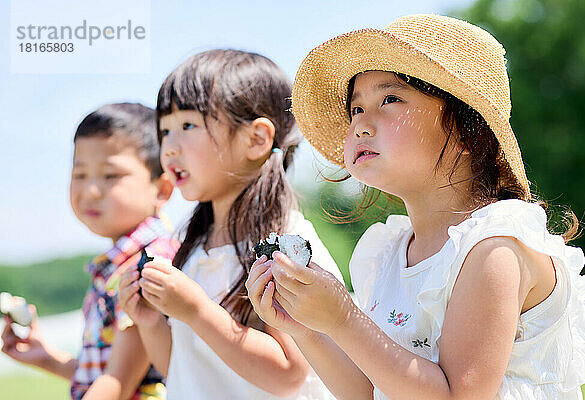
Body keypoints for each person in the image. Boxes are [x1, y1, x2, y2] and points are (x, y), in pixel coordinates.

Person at [247, 14, 585, 400]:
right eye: (356, 109)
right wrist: (307, 327)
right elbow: (370, 391)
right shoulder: (390, 253)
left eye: (390, 99)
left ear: (469, 130)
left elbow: (457, 396)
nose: (361, 125)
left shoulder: (494, 246)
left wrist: (344, 317)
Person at [118, 49, 342, 399]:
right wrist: (149, 321)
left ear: (255, 139)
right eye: (164, 130)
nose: (169, 148)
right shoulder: (192, 244)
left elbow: (289, 375)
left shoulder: (286, 246)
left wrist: (197, 311)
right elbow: (182, 369)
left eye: (188, 125)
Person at [1, 103, 179, 399]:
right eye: (80, 174)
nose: (91, 190)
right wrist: (46, 358)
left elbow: (118, 383)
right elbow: (113, 374)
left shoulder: (148, 262)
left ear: (161, 189)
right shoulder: (118, 262)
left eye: (110, 176)